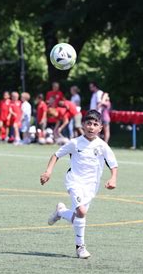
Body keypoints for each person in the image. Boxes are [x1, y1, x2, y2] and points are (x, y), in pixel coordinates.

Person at [40, 109, 118, 259]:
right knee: (82, 212)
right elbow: (56, 155)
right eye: (88, 123)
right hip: (74, 181)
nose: (91, 127)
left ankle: (61, 212)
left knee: (78, 217)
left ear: (100, 128)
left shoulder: (102, 146)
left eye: (95, 124)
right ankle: (80, 247)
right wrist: (48, 172)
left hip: (91, 186)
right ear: (83, 125)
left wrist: (113, 178)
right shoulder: (75, 143)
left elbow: (113, 164)